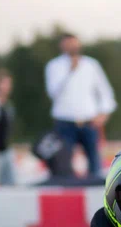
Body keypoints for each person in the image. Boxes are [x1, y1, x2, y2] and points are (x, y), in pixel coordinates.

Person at [45, 33, 116, 177]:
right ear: (62, 46)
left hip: (89, 121)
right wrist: (69, 71)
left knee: (94, 163)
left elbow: (105, 91)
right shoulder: (54, 66)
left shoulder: (91, 64)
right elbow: (53, 92)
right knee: (64, 164)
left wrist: (104, 112)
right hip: (64, 122)